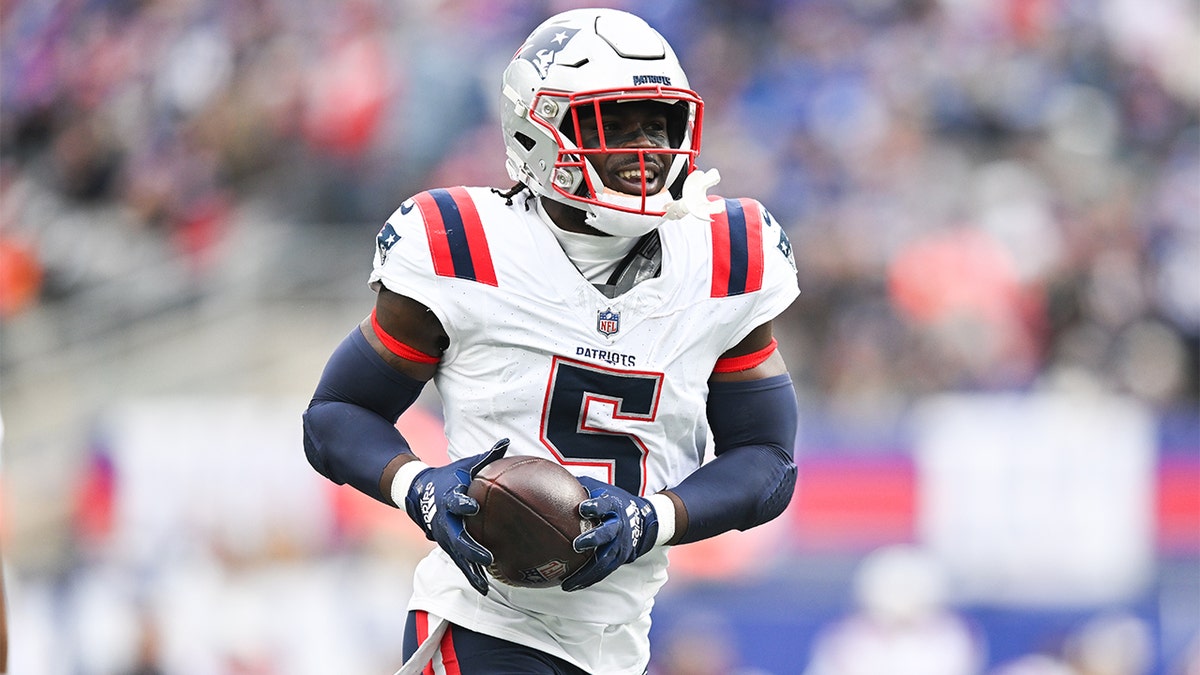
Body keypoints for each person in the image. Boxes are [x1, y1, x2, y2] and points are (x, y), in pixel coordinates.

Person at [302, 8, 800, 674]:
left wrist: (654, 519)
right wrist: (417, 486)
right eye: (613, 123)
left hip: (619, 640)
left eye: (658, 121)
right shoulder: (464, 244)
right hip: (483, 620)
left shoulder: (724, 256)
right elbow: (336, 416)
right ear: (537, 131)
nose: (646, 147)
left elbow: (767, 459)